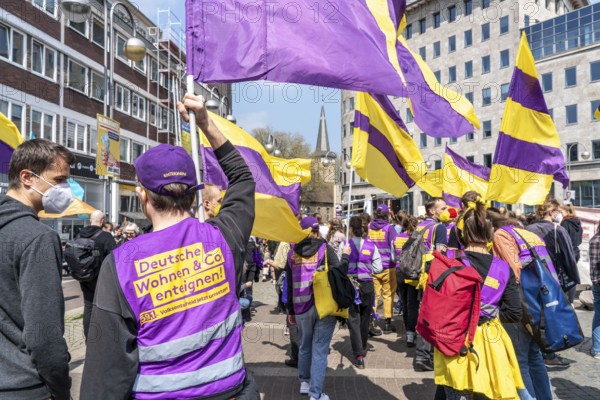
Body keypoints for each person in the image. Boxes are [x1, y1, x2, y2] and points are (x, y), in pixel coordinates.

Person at [80, 94, 258, 399]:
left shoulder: (122, 263)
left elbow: (106, 371)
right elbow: (242, 178)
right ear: (193, 195)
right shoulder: (223, 238)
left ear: (143, 197)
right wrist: (205, 123)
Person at [0, 139, 73, 399]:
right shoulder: (38, 237)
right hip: (26, 386)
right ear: (27, 178)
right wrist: (61, 389)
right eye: (59, 179)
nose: (66, 189)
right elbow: (44, 336)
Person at [436, 200, 524, 399]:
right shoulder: (503, 268)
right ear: (490, 233)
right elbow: (514, 312)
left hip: (454, 339)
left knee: (456, 391)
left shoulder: (451, 263)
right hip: (490, 340)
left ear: (463, 234)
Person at [489, 210, 555, 400]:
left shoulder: (500, 235)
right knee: (534, 356)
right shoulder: (529, 235)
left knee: (519, 362)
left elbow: (513, 270)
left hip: (521, 302)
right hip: (540, 300)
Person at [286, 216, 342, 400]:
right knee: (320, 350)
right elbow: (339, 272)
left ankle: (304, 382)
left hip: (300, 307)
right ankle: (315, 394)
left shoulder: (291, 252)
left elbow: (288, 283)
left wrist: (290, 310)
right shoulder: (324, 249)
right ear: (318, 230)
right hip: (322, 306)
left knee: (304, 346)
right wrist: (347, 255)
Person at [341, 216, 382, 369]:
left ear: (350, 229)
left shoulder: (345, 245)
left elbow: (341, 264)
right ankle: (363, 346)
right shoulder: (372, 246)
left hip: (351, 285)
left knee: (353, 320)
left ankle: (358, 354)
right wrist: (366, 267)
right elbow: (378, 268)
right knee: (365, 318)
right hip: (367, 285)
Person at [414, 197, 449, 372]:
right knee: (434, 316)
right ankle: (425, 355)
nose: (446, 211)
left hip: (420, 275)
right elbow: (441, 254)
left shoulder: (420, 226)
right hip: (433, 276)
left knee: (424, 313)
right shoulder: (439, 228)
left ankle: (422, 354)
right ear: (433, 211)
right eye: (442, 208)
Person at [77, 209, 117, 339]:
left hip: (85, 278)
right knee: (106, 308)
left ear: (90, 220)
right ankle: (104, 337)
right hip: (102, 279)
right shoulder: (106, 236)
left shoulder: (79, 235)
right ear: (102, 221)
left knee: (88, 307)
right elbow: (116, 258)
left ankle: (88, 337)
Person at [368, 204, 398, 334]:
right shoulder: (389, 229)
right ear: (387, 215)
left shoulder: (369, 228)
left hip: (372, 267)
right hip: (388, 267)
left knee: (374, 296)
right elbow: (394, 247)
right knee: (388, 295)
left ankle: (370, 323)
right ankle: (387, 323)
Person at [395, 213, 419, 347]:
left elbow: (394, 257)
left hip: (399, 272)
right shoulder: (417, 239)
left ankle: (407, 332)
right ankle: (411, 334)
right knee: (413, 305)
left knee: (404, 304)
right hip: (413, 273)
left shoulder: (397, 238)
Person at [590, 223, 600, 360]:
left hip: (596, 282)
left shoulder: (594, 239)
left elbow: (594, 263)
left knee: (598, 315)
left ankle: (597, 349)